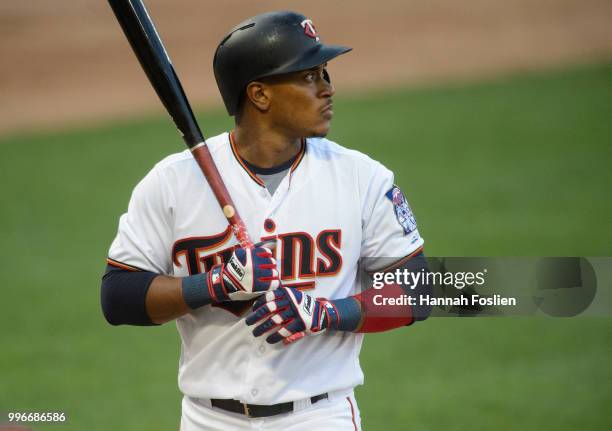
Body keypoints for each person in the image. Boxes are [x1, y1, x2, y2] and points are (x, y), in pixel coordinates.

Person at [101, 11, 431, 431]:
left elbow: (418, 292)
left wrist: (328, 313)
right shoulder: (172, 182)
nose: (328, 89)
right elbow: (118, 296)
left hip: (319, 416)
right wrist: (213, 284)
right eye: (309, 76)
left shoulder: (362, 179)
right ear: (259, 94)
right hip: (208, 420)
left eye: (325, 73)